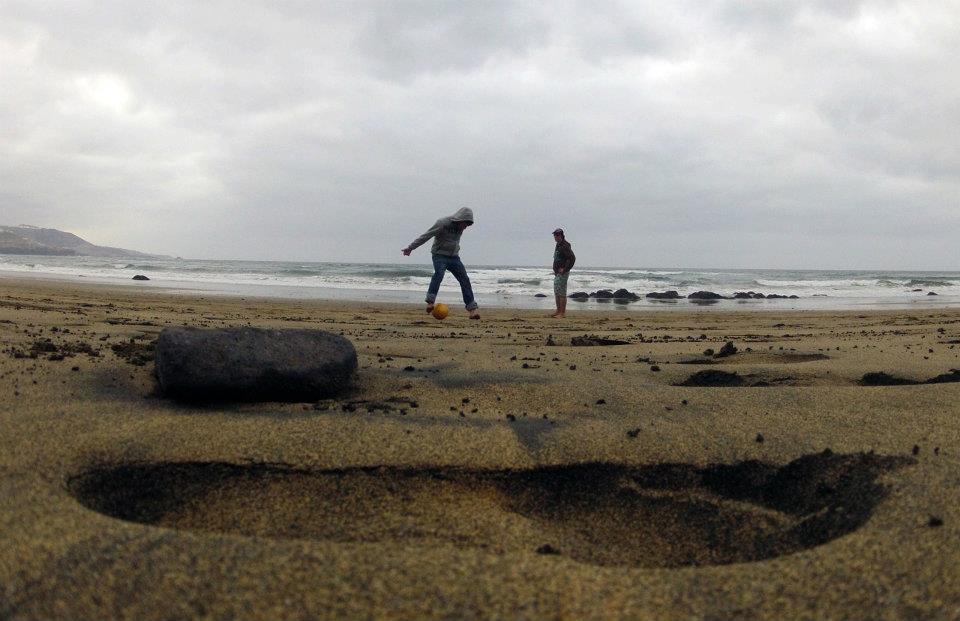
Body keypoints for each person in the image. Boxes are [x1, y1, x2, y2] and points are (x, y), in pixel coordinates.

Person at [402, 207, 480, 319]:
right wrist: (410, 248)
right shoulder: (442, 223)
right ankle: (430, 302)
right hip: (439, 255)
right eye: (465, 224)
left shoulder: (461, 227)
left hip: (454, 257)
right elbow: (427, 235)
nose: (465, 227)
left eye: (468, 225)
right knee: (439, 274)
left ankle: (472, 310)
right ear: (460, 219)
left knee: (465, 279)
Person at [551, 228, 575, 318]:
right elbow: (557, 258)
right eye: (554, 235)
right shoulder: (558, 245)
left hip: (563, 272)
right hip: (557, 272)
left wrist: (565, 269)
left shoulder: (565, 245)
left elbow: (572, 258)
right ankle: (558, 311)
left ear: (561, 236)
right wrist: (555, 269)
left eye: (557, 235)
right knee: (557, 291)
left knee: (561, 292)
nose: (555, 237)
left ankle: (562, 313)